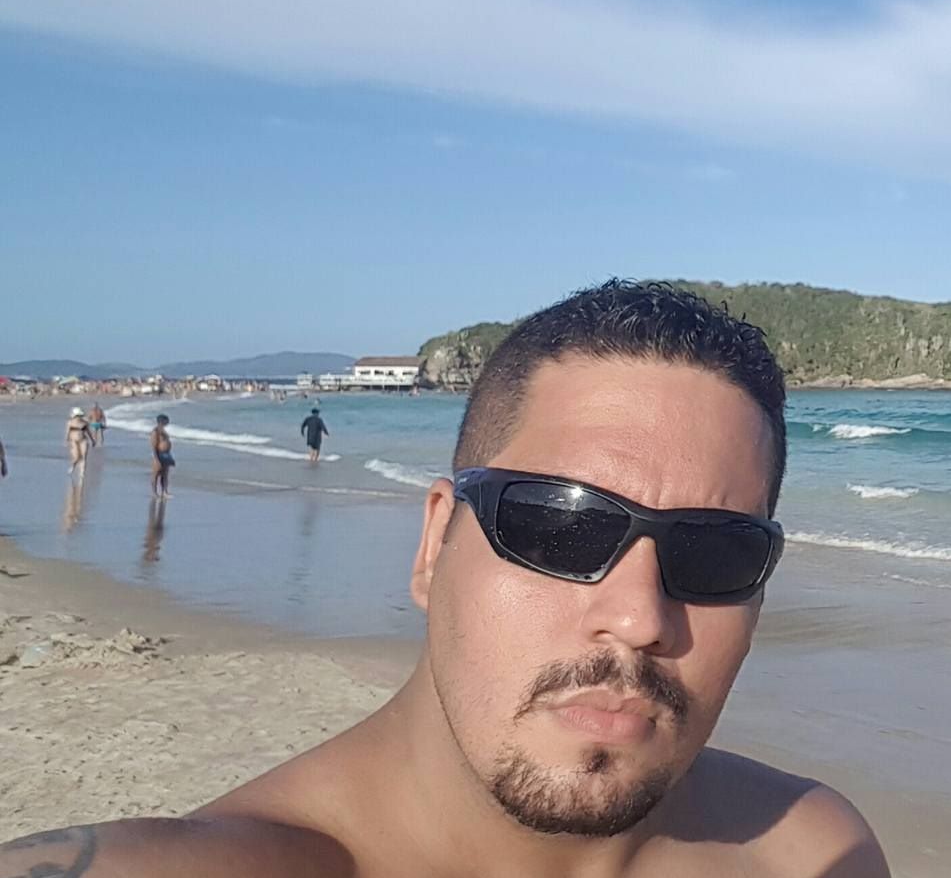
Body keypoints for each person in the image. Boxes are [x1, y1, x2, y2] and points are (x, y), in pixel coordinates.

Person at [0, 281, 889, 877]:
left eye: (714, 552)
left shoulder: (811, 852)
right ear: (433, 542)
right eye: (557, 523)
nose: (638, 616)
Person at [65, 406, 95, 477]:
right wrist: (67, 441)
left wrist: (92, 440)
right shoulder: (70, 423)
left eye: (79, 416)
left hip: (83, 440)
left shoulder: (84, 423)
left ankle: (82, 473)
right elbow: (67, 432)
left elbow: (88, 432)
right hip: (74, 441)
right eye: (77, 416)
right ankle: (73, 466)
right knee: (77, 457)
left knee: (84, 457)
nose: (78, 417)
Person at [150, 414, 175, 498]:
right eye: (166, 421)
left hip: (166, 454)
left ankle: (164, 491)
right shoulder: (155, 431)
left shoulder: (163, 431)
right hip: (159, 454)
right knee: (156, 474)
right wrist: (156, 459)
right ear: (161, 421)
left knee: (165, 474)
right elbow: (154, 446)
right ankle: (154, 492)